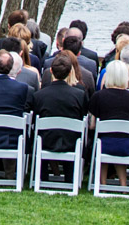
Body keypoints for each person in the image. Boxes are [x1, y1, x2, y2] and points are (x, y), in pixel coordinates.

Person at [27, 53, 87, 182]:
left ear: (51, 71)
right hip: (71, 142)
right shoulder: (79, 95)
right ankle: (70, 178)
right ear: (70, 72)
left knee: (41, 133)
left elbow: (35, 120)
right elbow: (82, 117)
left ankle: (42, 178)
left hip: (45, 141)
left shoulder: (39, 95)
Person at [87, 59, 129, 187]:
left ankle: (101, 183)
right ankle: (123, 184)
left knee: (102, 139)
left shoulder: (98, 96)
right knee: (120, 138)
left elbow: (92, 126)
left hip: (104, 144)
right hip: (128, 146)